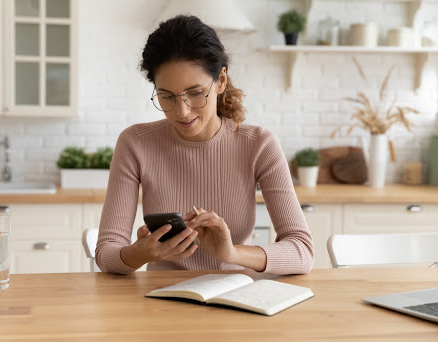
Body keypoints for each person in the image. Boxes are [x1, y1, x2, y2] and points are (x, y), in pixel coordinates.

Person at [95, 15, 314, 275]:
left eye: (196, 93)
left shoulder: (259, 145)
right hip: (160, 301)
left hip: (235, 296)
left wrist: (232, 253)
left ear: (220, 81)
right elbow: (106, 252)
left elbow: (302, 251)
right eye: (166, 97)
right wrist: (139, 253)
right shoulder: (135, 143)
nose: (183, 112)